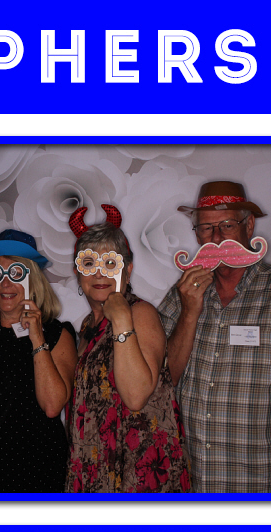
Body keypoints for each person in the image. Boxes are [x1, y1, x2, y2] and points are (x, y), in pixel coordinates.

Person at [158, 179, 271, 493]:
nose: (217, 238)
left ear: (249, 226)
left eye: (227, 225)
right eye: (206, 228)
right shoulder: (181, 295)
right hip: (193, 483)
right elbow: (163, 380)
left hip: (265, 483)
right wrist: (190, 312)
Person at [65, 204, 190, 494]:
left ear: (128, 270)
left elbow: (135, 396)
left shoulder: (140, 314)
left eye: (110, 263)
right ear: (78, 272)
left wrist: (121, 319)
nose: (99, 273)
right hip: (95, 465)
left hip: (137, 471)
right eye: (89, 263)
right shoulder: (87, 326)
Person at [0, 229, 77, 493]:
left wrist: (37, 338)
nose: (5, 284)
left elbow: (52, 406)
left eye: (15, 273)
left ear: (32, 281)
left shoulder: (57, 335)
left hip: (38, 473)